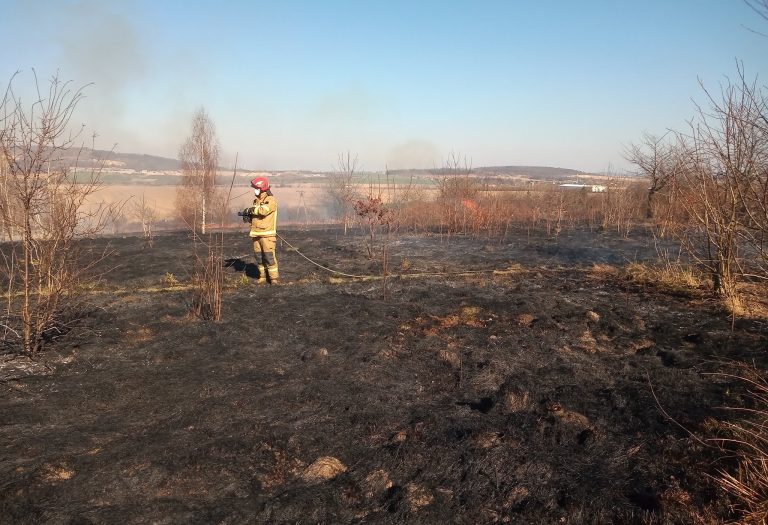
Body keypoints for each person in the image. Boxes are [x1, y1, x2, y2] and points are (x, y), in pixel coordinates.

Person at [244, 176, 279, 283]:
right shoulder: (256, 201)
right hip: (256, 234)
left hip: (267, 235)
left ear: (262, 188)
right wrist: (249, 217)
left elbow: (264, 211)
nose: (254, 190)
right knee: (259, 258)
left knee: (269, 258)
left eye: (256, 188)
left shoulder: (271, 200)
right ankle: (262, 277)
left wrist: (252, 210)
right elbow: (257, 214)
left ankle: (273, 279)